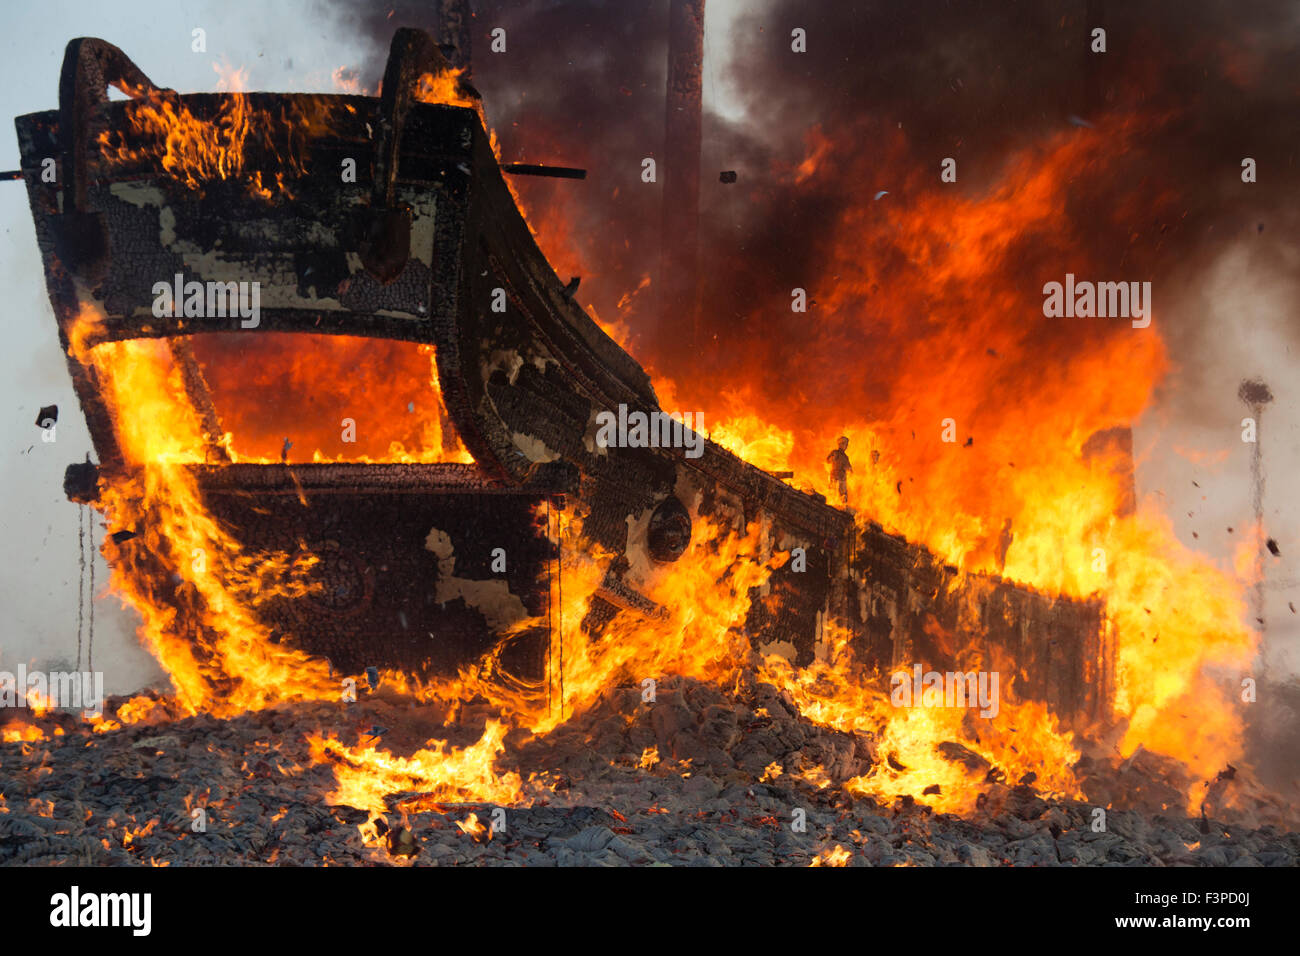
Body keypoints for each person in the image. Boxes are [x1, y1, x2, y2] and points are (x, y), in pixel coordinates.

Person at [826, 436, 852, 506]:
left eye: (847, 444)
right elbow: (827, 460)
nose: (846, 446)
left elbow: (849, 468)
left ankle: (843, 508)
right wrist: (832, 458)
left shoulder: (846, 457)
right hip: (835, 476)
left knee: (843, 496)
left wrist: (850, 470)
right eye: (845, 444)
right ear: (840, 444)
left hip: (842, 478)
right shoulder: (835, 452)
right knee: (833, 493)